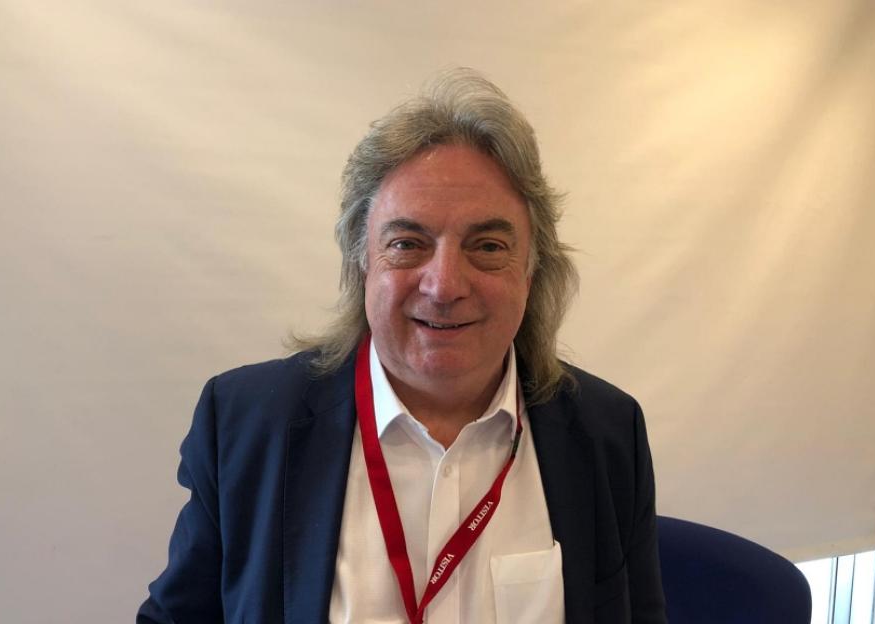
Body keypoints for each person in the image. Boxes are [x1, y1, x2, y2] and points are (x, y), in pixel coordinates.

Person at [138, 69, 667, 624]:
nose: (444, 286)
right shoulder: (246, 424)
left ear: (531, 273)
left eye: (487, 246)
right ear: (362, 263)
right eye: (408, 243)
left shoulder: (608, 435)